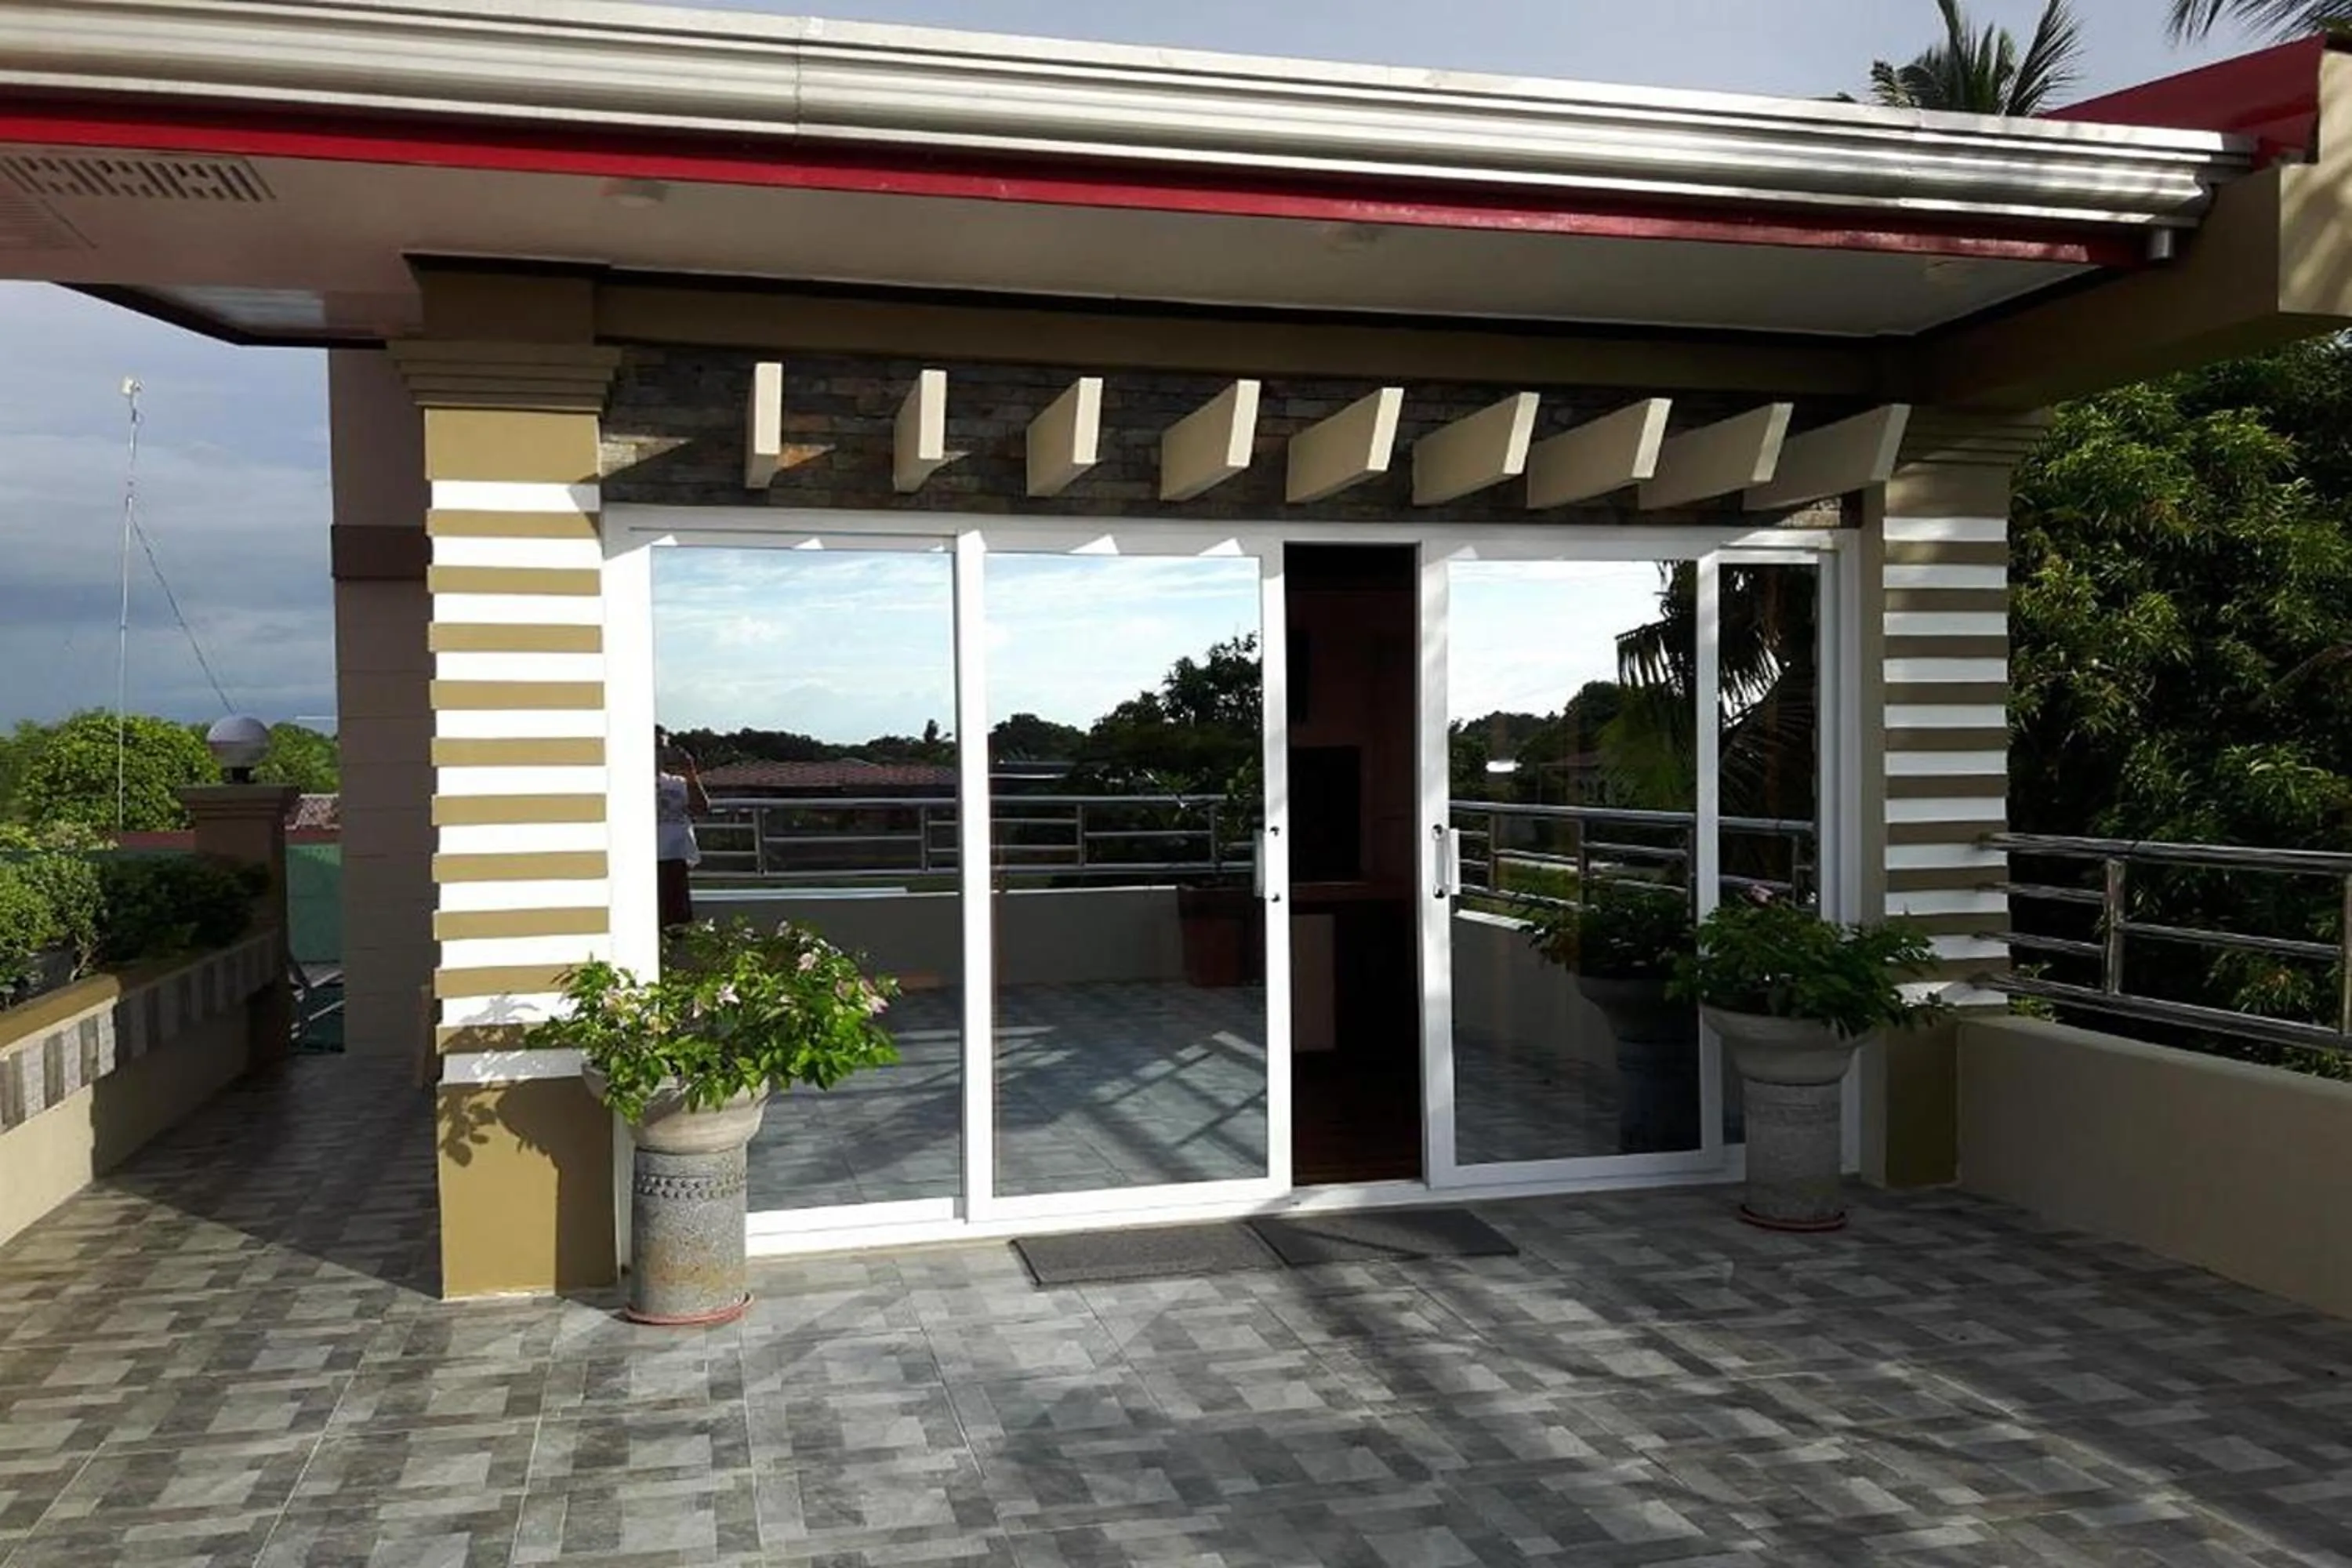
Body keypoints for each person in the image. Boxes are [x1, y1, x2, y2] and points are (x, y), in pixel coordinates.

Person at [655, 728, 710, 930]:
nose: (659, 754)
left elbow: (701, 808)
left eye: (662, 748)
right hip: (643, 861)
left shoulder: (678, 784)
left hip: (674, 860)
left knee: (675, 927)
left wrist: (690, 771)